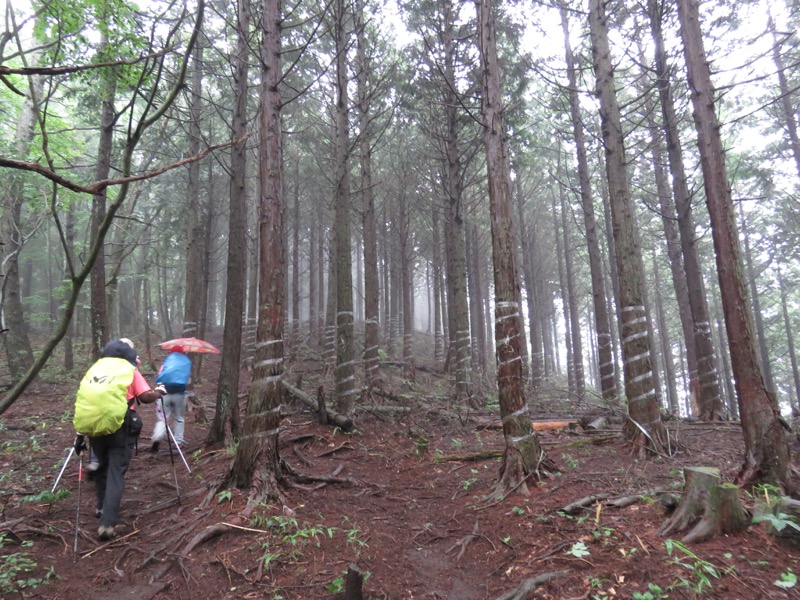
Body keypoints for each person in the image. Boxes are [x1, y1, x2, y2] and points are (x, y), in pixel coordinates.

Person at [74, 339, 166, 541]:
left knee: (102, 467)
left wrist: (80, 434)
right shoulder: (129, 370)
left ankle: (100, 506)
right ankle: (107, 524)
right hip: (122, 425)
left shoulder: (95, 370)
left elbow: (84, 401)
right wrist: (159, 391)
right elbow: (145, 396)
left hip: (95, 426)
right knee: (116, 472)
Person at [150, 350, 192, 452]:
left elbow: (160, 377)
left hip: (164, 394)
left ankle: (157, 437)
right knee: (179, 418)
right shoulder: (186, 362)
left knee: (162, 419)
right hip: (180, 395)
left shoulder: (168, 361)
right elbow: (188, 380)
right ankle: (178, 442)